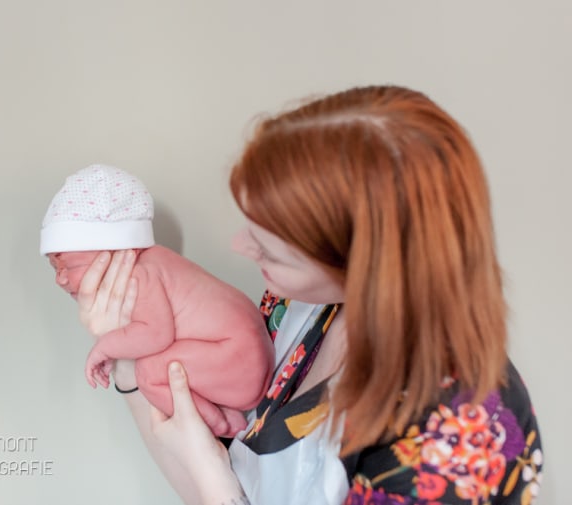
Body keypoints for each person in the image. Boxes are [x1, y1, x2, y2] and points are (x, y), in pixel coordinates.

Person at [67, 86, 544, 504]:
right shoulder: (297, 309)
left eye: (271, 251)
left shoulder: (454, 437)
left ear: (366, 266)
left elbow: (214, 480)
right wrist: (128, 363)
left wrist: (215, 487)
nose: (238, 247)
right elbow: (201, 456)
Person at [41, 164, 274, 437]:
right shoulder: (158, 259)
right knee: (164, 362)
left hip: (239, 361)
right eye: (54, 269)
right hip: (249, 355)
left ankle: (218, 424)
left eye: (68, 267)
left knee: (150, 374)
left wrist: (105, 347)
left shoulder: (138, 275)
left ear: (110, 252)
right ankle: (226, 412)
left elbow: (155, 334)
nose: (60, 279)